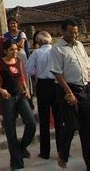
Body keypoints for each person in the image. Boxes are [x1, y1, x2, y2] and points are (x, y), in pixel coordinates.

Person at [0, 39, 36, 170]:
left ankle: (22, 147)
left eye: (16, 49)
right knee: (10, 130)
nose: (14, 52)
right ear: (5, 51)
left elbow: (22, 77)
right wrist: (1, 90)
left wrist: (26, 89)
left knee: (31, 123)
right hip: (7, 98)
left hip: (21, 96)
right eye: (11, 50)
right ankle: (17, 163)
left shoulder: (18, 61)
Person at [50, 19, 90, 169]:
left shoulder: (79, 45)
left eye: (75, 32)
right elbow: (57, 73)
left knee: (87, 127)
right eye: (70, 32)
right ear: (62, 32)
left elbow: (86, 64)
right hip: (68, 89)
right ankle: (63, 154)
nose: (74, 35)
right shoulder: (57, 49)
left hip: (84, 88)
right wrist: (68, 92)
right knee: (72, 125)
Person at [26, 31, 59, 160]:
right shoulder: (57, 51)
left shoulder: (37, 53)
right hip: (56, 83)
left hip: (43, 85)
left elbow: (29, 70)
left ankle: (45, 152)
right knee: (59, 117)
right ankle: (62, 150)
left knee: (44, 119)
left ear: (39, 42)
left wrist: (39, 71)